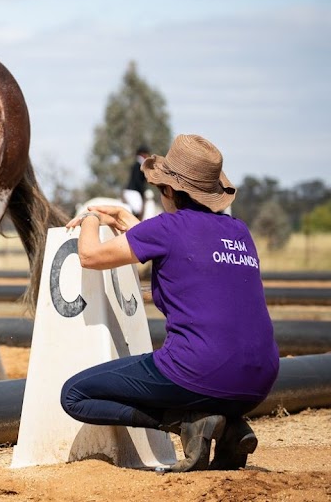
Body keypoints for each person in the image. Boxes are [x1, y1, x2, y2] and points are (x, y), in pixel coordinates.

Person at [59, 134, 278, 472]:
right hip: (260, 380)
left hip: (199, 369)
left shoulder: (167, 228)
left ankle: (184, 422)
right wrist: (128, 223)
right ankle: (230, 424)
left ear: (170, 191)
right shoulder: (239, 231)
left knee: (74, 395)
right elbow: (181, 247)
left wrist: (89, 217)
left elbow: (89, 256)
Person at [122, 144, 151, 219]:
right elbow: (138, 181)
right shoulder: (138, 165)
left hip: (134, 191)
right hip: (133, 191)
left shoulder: (139, 164)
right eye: (147, 154)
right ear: (143, 154)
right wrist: (143, 191)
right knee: (138, 210)